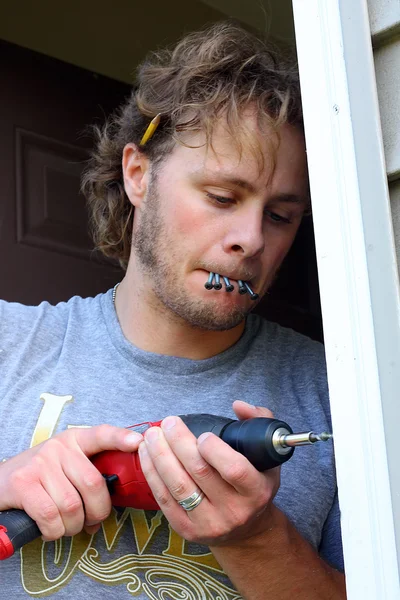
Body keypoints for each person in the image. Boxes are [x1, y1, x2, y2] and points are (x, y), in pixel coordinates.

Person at [0, 21, 346, 599]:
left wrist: (257, 540)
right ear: (138, 175)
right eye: (221, 197)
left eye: (281, 215)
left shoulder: (342, 399)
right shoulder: (9, 343)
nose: (251, 240)